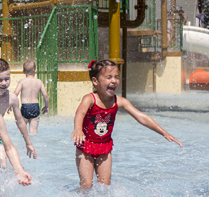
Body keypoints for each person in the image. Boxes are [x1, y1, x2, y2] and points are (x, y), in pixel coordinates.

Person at [71, 59, 183, 189]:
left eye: (116, 77)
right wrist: (78, 129)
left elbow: (141, 117)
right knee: (87, 184)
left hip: (104, 148)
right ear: (95, 81)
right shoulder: (90, 99)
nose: (114, 80)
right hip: (86, 147)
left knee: (105, 185)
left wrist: (164, 132)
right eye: (109, 77)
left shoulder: (120, 101)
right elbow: (80, 113)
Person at [0, 58, 37, 168]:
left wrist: (28, 143)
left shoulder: (12, 98)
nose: (4, 83)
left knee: (2, 164)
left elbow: (20, 121)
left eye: (7, 79)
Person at [13, 60, 49, 135]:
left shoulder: (22, 81)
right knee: (33, 132)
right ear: (35, 71)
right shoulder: (39, 81)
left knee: (20, 131)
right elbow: (45, 95)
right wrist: (46, 106)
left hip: (25, 107)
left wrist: (9, 104)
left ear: (23, 71)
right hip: (35, 107)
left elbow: (15, 93)